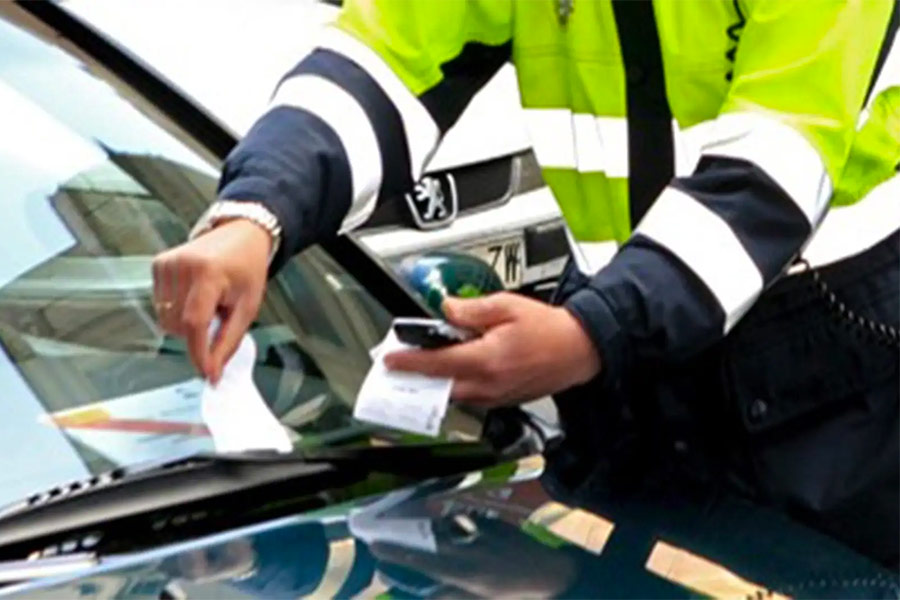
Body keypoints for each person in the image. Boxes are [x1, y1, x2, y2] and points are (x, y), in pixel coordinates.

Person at [152, 0, 899, 565]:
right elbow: (386, 59)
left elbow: (781, 157)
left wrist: (592, 333)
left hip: (831, 374)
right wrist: (255, 214)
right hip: (630, 354)